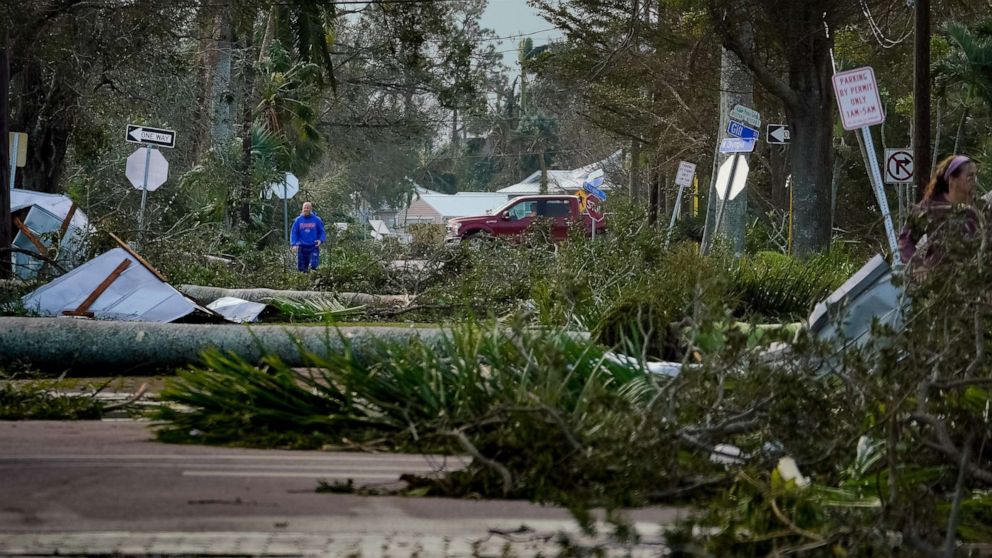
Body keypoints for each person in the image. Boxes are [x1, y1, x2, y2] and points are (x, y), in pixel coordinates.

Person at [898, 154, 979, 268]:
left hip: (974, 276)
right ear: (952, 180)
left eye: (976, 176)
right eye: (970, 176)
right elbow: (906, 239)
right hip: (941, 277)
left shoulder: (978, 208)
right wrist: (918, 265)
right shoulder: (932, 207)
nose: (974, 181)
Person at [290, 201, 326, 273]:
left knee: (314, 265)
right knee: (302, 268)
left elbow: (322, 231)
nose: (306, 209)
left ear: (311, 209)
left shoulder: (317, 220)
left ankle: (314, 280)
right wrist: (294, 244)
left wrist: (320, 240)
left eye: (307, 208)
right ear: (302, 209)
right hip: (302, 247)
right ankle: (304, 281)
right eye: (304, 208)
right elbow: (294, 233)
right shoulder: (298, 220)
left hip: (313, 246)